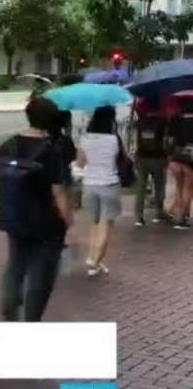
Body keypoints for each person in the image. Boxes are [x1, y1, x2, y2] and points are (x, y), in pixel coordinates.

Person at [0, 97, 73, 322]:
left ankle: (9, 305)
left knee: (15, 264)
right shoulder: (52, 150)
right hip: (46, 223)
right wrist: (68, 220)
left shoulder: (7, 146)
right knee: (40, 275)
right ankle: (31, 321)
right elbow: (58, 191)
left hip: (15, 217)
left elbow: (0, 182)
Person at [75, 106, 123, 277]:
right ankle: (95, 262)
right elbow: (119, 160)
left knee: (94, 224)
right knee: (106, 225)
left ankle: (92, 257)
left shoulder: (85, 139)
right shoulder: (114, 139)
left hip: (90, 184)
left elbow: (80, 164)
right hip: (109, 183)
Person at [132, 103, 169, 226]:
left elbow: (135, 139)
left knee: (141, 187)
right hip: (158, 157)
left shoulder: (140, 122)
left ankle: (139, 216)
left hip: (141, 157)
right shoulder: (162, 121)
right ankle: (159, 212)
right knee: (159, 185)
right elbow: (165, 140)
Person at [167, 98, 193, 229]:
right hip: (190, 158)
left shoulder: (175, 119)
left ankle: (176, 215)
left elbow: (170, 141)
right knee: (188, 189)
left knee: (178, 187)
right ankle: (184, 217)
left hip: (177, 157)